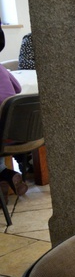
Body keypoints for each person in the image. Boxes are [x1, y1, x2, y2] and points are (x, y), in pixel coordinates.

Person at [0, 66, 26, 198]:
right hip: (17, 134)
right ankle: (5, 177)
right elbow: (18, 89)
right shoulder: (2, 69)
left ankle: (5, 174)